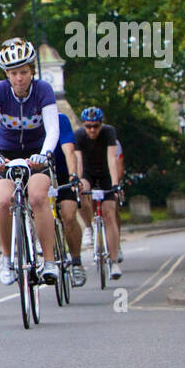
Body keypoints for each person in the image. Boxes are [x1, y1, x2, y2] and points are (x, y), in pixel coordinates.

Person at [0, 37, 59, 287]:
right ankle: (6, 256)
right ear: (7, 74)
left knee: (36, 198)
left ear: (32, 71)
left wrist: (44, 154)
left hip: (37, 153)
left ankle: (49, 261)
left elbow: (53, 129)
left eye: (23, 72)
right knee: (3, 200)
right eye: (13, 73)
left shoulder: (43, 90)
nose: (19, 78)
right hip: (6, 154)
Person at [74, 106, 123, 279]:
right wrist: (77, 181)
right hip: (88, 173)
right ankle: (88, 227)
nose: (92, 130)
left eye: (96, 126)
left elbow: (112, 158)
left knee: (109, 214)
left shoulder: (109, 132)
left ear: (102, 124)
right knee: (80, 192)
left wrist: (115, 184)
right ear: (83, 125)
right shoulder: (79, 135)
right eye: (88, 126)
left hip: (105, 175)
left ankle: (114, 261)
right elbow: (78, 160)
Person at [51, 109, 87, 286]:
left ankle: (76, 261)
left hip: (63, 174)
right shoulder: (25, 123)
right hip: (40, 174)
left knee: (69, 216)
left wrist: (74, 175)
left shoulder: (60, 120)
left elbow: (69, 151)